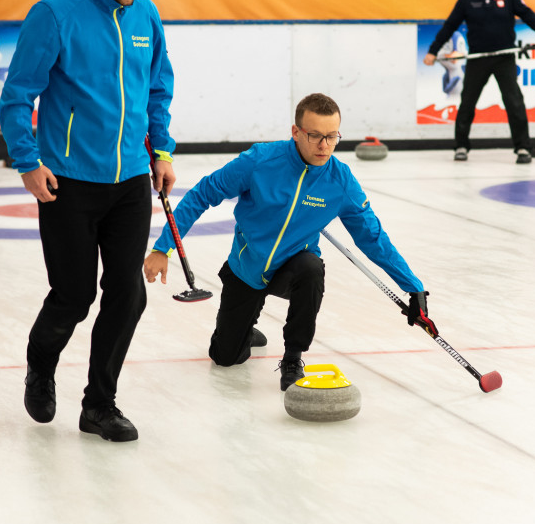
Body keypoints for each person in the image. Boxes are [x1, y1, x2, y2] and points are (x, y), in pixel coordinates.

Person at [0, 0, 175, 443]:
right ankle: (41, 367)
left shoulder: (145, 14)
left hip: (129, 182)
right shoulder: (54, 14)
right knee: (73, 296)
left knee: (128, 294)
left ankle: (99, 405)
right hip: (67, 183)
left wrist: (161, 151)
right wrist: (28, 161)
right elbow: (16, 96)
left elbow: (158, 86)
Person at [142, 94, 429, 391]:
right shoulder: (260, 161)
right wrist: (163, 248)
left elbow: (372, 237)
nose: (324, 146)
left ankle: (293, 356)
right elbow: (202, 194)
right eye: (315, 135)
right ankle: (245, 328)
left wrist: (412, 286)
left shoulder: (340, 181)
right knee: (225, 357)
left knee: (311, 268)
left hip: (293, 267)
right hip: (248, 267)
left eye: (332, 137)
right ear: (296, 132)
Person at [423, 0, 535, 164]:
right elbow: (450, 26)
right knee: (468, 102)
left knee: (514, 101)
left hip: (504, 57)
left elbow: (529, 17)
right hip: (478, 58)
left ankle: (523, 148)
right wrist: (433, 51)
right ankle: (461, 146)